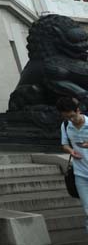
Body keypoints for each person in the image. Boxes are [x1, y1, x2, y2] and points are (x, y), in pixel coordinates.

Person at [59, 97, 88, 232]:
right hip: (80, 174)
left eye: (72, 116)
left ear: (78, 110)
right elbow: (64, 145)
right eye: (67, 117)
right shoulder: (65, 125)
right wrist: (71, 151)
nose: (71, 120)